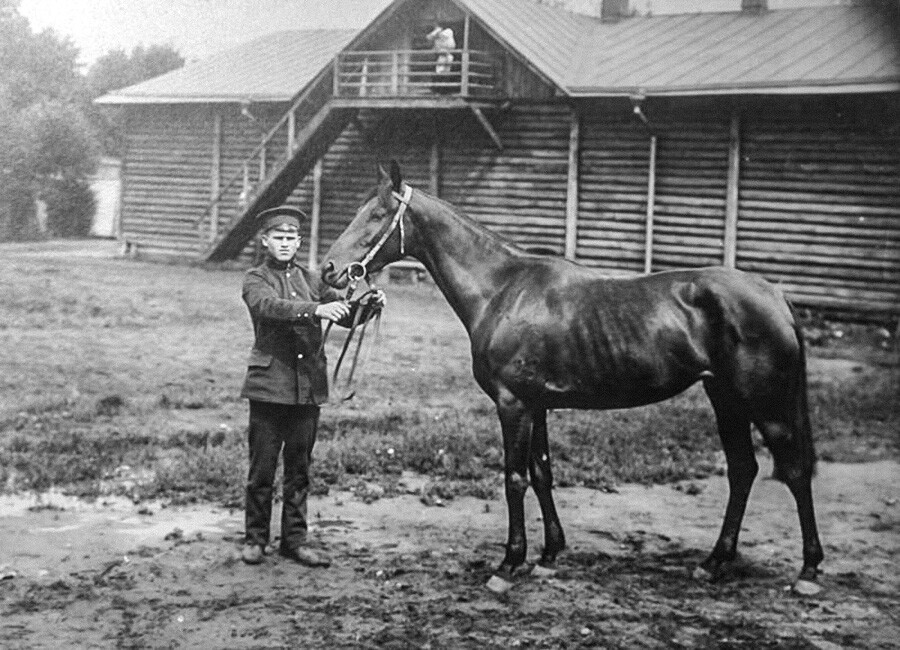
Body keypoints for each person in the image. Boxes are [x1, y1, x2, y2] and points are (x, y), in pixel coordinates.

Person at [239, 205, 384, 567]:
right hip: (270, 388)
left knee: (299, 470)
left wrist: (367, 305)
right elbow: (268, 307)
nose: (285, 244)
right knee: (262, 470)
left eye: (291, 238)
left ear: (299, 242)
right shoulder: (255, 278)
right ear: (266, 240)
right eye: (279, 238)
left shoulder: (313, 280)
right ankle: (256, 539)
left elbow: (343, 312)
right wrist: (315, 311)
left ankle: (294, 541)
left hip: (307, 390)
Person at [426, 23, 457, 93]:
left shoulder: (448, 31)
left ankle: (446, 91)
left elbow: (442, 36)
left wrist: (437, 32)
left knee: (447, 72)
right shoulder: (437, 37)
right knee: (439, 72)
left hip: (448, 55)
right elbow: (429, 37)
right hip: (440, 56)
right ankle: (437, 90)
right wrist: (435, 33)